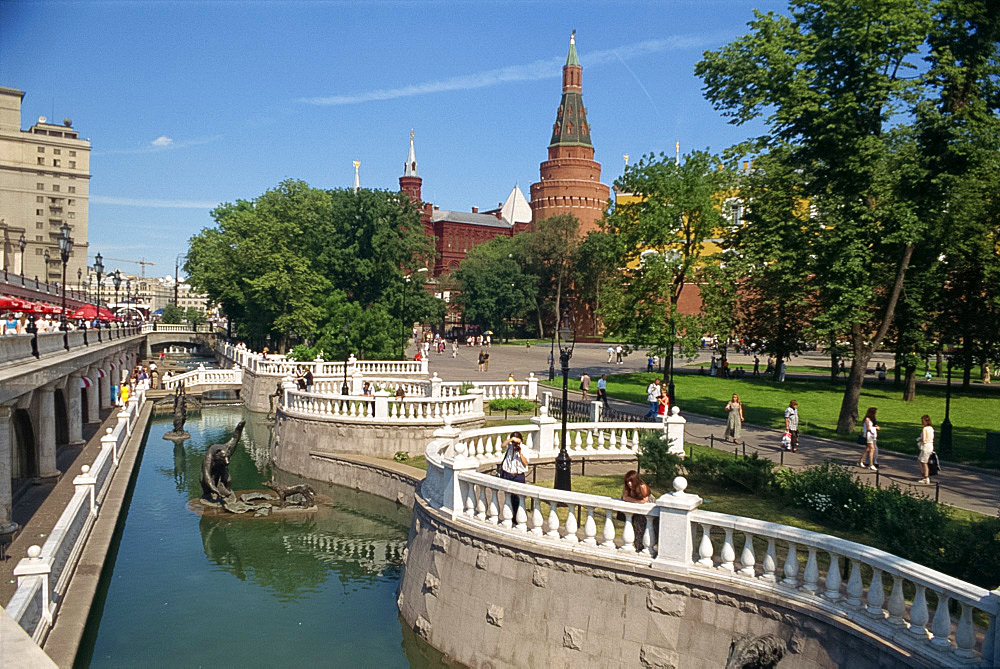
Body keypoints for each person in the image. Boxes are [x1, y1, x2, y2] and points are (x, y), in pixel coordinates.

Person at [499, 432, 529, 516]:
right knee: (508, 497)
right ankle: (510, 515)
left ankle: (518, 516)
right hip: (508, 475)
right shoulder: (509, 447)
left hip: (518, 476)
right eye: (513, 442)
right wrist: (511, 440)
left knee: (518, 498)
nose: (515, 444)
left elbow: (525, 463)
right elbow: (502, 445)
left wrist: (520, 453)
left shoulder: (524, 448)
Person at [622, 470, 653, 550]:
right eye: (627, 481)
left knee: (644, 530)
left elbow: (645, 500)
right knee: (636, 529)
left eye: (631, 481)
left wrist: (636, 500)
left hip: (647, 512)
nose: (629, 484)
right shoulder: (627, 487)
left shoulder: (642, 487)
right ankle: (638, 546)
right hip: (636, 510)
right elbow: (625, 497)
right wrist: (637, 501)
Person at [859, 407, 879, 471]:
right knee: (872, 449)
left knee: (867, 449)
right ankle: (871, 464)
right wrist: (875, 428)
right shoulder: (867, 419)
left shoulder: (871, 420)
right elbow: (868, 428)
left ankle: (861, 461)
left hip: (872, 435)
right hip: (869, 435)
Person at [917, 414, 934, 484]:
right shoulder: (931, 428)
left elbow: (924, 439)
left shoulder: (925, 429)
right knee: (920, 460)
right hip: (930, 445)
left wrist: (919, 439)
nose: (922, 422)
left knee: (924, 462)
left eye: (922, 420)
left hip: (925, 446)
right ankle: (924, 474)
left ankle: (926, 477)